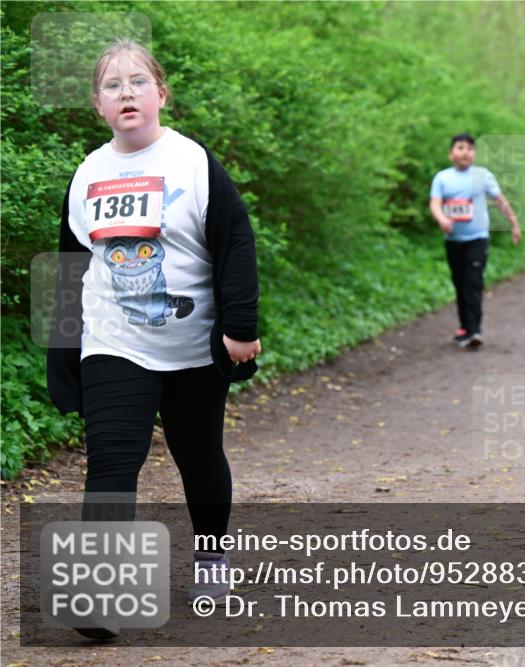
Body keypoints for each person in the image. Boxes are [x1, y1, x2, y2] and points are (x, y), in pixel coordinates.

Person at [47, 39, 260, 636]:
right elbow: (69, 268)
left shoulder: (192, 162)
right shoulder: (87, 172)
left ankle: (213, 555)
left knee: (198, 455)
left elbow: (235, 243)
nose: (126, 94)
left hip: (193, 345)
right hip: (114, 342)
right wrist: (63, 354)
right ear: (98, 104)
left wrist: (240, 328)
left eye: (137, 82)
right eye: (113, 86)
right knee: (113, 459)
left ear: (160, 94)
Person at [429, 133, 520, 349]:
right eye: (460, 148)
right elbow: (434, 204)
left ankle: (474, 331)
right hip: (453, 240)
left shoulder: (482, 175)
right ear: (451, 153)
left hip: (477, 239)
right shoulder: (442, 178)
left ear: (474, 154)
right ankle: (464, 328)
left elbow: (500, 200)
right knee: (459, 284)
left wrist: (513, 223)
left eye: (469, 148)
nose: (465, 152)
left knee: (473, 283)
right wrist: (442, 218)